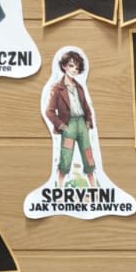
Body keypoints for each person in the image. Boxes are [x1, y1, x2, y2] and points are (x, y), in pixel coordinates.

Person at [44, 48, 98, 187]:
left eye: (77, 68)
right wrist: (62, 126)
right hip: (69, 126)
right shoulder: (57, 88)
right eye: (71, 66)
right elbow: (49, 112)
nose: (74, 70)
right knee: (66, 157)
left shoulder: (79, 87)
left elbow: (86, 108)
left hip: (82, 125)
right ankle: (59, 188)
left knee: (88, 156)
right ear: (64, 66)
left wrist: (88, 122)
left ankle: (94, 188)